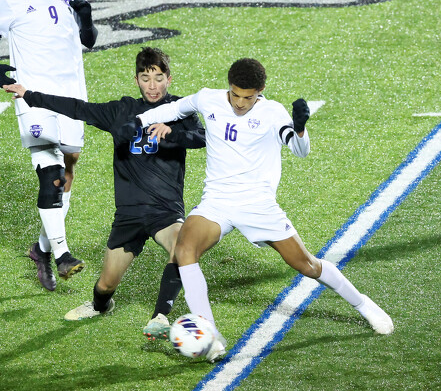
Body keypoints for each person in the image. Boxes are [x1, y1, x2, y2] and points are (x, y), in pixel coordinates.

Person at [136, 58, 395, 362]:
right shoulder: (208, 99)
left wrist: (300, 129)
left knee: (307, 265)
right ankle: (211, 336)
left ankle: (363, 304)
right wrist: (139, 121)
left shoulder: (273, 113)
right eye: (235, 94)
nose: (240, 103)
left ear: (260, 91)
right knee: (184, 250)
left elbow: (300, 150)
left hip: (258, 205)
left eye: (248, 97)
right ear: (228, 87)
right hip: (217, 201)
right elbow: (174, 109)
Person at [3, 47, 206, 339]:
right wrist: (30, 95)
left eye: (159, 78)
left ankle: (160, 315)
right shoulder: (121, 111)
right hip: (128, 216)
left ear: (169, 79)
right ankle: (100, 306)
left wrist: (173, 133)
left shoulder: (180, 110)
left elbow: (202, 137)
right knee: (106, 285)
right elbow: (77, 108)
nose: (152, 86)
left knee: (182, 246)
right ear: (136, 80)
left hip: (165, 212)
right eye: (146, 78)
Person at [0, 0, 98, 291]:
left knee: (68, 168)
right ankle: (62, 254)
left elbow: (89, 40)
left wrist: (86, 17)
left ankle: (41, 249)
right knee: (52, 174)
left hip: (71, 93)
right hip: (31, 94)